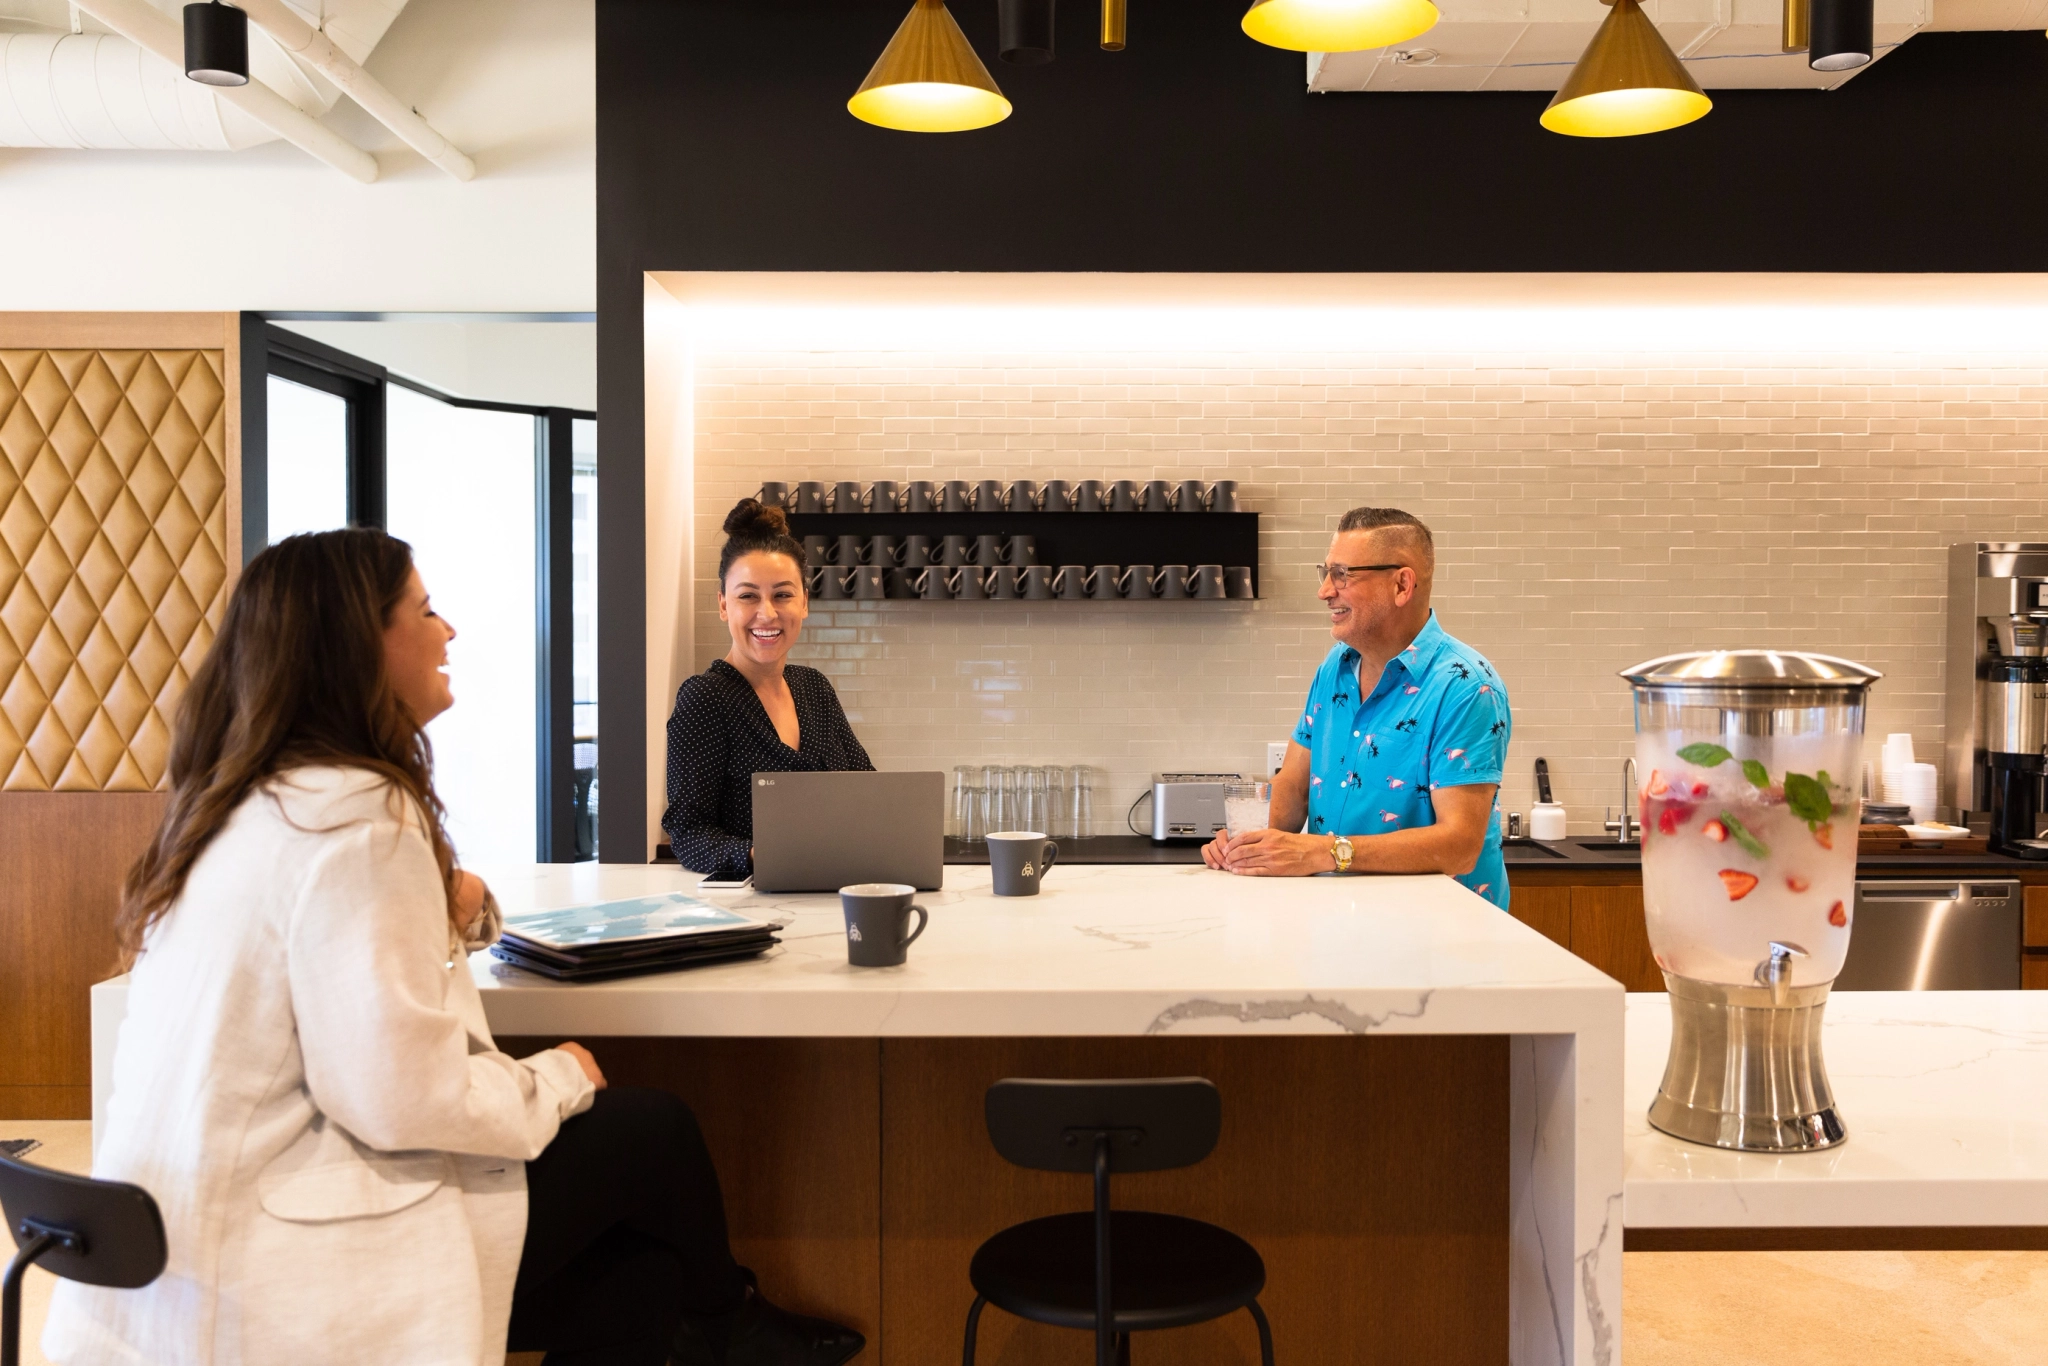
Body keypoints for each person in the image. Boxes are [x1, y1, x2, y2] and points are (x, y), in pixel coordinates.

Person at [44, 529, 864, 1366]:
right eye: (426, 610)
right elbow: (401, 1096)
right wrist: (555, 1078)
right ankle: (732, 1322)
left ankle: (724, 1319)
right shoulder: (357, 821)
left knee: (642, 1279)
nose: (449, 631)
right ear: (360, 645)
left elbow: (334, 958)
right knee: (654, 1130)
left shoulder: (247, 807)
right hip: (283, 1268)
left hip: (176, 1257)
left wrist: (451, 903)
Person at [1203, 507, 1512, 908]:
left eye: (1343, 575)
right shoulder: (1336, 666)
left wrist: (1324, 852)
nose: (1325, 591)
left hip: (1441, 931)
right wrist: (1244, 840)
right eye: (1326, 572)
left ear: (1402, 585)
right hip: (1342, 918)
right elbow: (1294, 788)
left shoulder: (1467, 687)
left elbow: (1459, 845)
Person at [664, 500, 873, 878]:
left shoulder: (814, 689)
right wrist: (765, 855)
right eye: (748, 596)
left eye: (782, 594)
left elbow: (867, 790)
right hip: (751, 906)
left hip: (833, 888)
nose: (767, 613)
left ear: (804, 603)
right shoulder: (705, 699)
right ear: (724, 605)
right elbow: (688, 832)